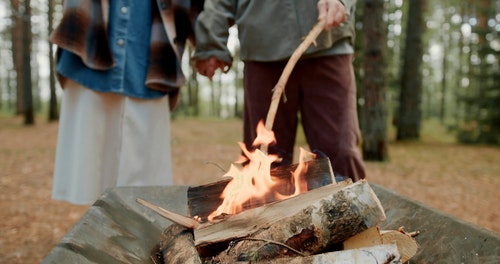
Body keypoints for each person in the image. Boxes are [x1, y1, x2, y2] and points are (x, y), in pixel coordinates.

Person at [193, 0, 365, 182]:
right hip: (262, 50)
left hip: (328, 42)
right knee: (265, 159)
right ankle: (266, 210)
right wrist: (210, 42)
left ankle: (351, 207)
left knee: (341, 153)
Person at [50, 0, 202, 205]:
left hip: (152, 62)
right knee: (88, 174)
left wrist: (211, 47)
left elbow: (203, 8)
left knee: (146, 191)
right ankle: (100, 232)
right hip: (89, 48)